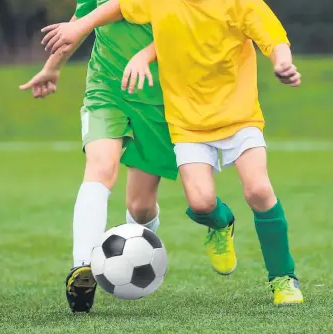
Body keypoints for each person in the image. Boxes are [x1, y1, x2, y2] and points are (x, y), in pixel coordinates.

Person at [40, 0, 304, 305]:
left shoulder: (242, 3)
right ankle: (220, 223)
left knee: (258, 190)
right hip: (186, 122)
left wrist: (282, 63)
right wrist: (89, 34)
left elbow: (273, 37)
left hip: (238, 114)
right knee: (201, 203)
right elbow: (122, 9)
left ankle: (283, 277)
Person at [20, 0, 179, 313]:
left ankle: (135, 247)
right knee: (101, 167)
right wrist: (52, 67)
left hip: (158, 98)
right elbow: (82, 17)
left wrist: (82, 26)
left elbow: (128, 8)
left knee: (141, 207)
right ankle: (82, 269)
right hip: (106, 88)